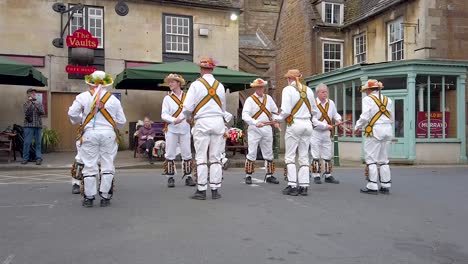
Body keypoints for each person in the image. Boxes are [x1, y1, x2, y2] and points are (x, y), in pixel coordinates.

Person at [68, 71, 126, 207]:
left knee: (89, 165)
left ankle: (89, 198)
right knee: (107, 164)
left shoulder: (82, 97)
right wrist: (110, 126)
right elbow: (122, 121)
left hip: (90, 134)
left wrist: (80, 121)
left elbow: (72, 113)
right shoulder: (113, 100)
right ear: (106, 84)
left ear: (90, 82)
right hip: (108, 134)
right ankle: (105, 197)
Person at [183, 57, 226, 200]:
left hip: (202, 122)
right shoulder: (220, 85)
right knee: (215, 157)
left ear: (201, 69)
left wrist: (188, 116)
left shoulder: (196, 85)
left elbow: (188, 107)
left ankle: (201, 190)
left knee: (201, 156)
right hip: (218, 121)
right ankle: (215, 189)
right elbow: (223, 108)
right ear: (212, 69)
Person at [274, 69, 318, 196]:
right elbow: (314, 111)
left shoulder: (287, 90)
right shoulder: (308, 90)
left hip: (294, 124)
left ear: (289, 79)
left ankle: (292, 185)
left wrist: (277, 119)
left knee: (290, 156)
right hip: (307, 125)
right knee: (304, 156)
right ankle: (304, 186)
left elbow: (286, 111)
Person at [354, 79, 393, 195]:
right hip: (387, 130)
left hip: (375, 130)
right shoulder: (388, 100)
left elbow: (365, 116)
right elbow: (392, 117)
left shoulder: (368, 99)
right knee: (384, 159)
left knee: (371, 159)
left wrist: (357, 126)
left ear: (370, 90)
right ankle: (385, 185)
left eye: (366, 90)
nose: (365, 92)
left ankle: (372, 185)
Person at [242, 78, 280, 185]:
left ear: (264, 87)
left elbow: (274, 112)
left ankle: (269, 175)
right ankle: (248, 175)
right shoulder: (250, 100)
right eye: (258, 87)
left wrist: (275, 120)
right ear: (254, 88)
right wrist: (255, 122)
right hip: (254, 128)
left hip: (267, 128)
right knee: (252, 152)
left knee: (268, 152)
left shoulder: (269, 99)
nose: (260, 89)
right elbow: (245, 115)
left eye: (261, 87)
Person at [161, 73, 195, 187]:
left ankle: (188, 176)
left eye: (172, 82)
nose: (170, 83)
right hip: (172, 129)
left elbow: (192, 111)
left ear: (178, 83)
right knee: (170, 153)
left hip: (185, 128)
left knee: (187, 153)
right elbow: (163, 114)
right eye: (169, 82)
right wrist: (173, 120)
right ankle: (170, 177)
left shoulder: (188, 97)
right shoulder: (167, 98)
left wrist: (191, 119)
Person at [310, 83, 342, 184]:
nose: (325, 94)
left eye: (326, 92)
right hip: (316, 132)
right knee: (315, 155)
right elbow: (313, 120)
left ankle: (328, 175)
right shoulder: (313, 103)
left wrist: (338, 119)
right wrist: (325, 126)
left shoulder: (331, 103)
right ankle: (316, 175)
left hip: (326, 133)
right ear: (318, 93)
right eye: (323, 92)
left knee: (327, 154)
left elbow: (335, 114)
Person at [21, 88, 45, 165]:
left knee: (38, 143)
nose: (34, 94)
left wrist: (37, 106)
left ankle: (38, 158)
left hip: (38, 125)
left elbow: (42, 112)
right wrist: (31, 103)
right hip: (28, 125)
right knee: (27, 142)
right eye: (32, 93)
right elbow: (26, 112)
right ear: (28, 94)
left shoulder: (39, 103)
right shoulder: (26, 103)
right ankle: (25, 158)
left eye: (34, 93)